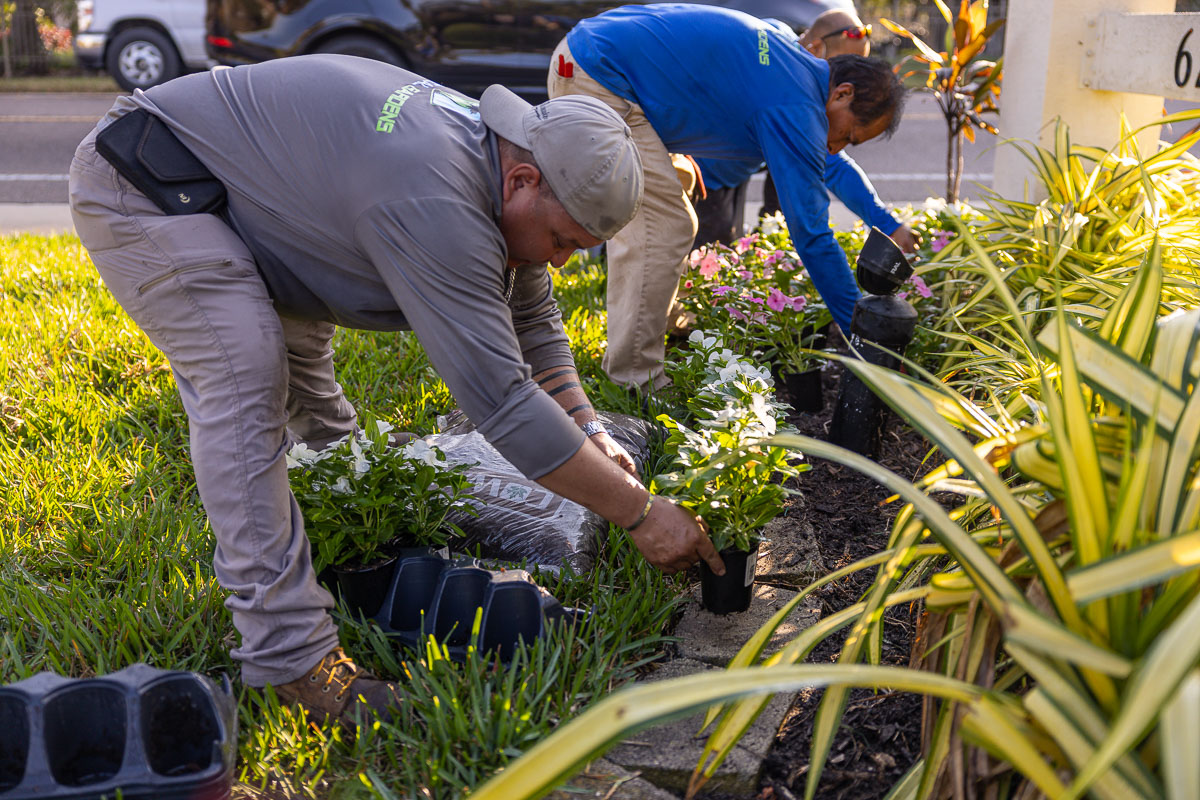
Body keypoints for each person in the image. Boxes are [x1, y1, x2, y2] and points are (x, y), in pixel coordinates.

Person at [68, 54, 723, 726]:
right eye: (560, 241)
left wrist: (589, 428)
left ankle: (349, 534)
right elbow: (502, 401)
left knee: (316, 407)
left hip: (236, 191)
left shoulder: (502, 161)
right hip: (151, 182)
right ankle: (290, 656)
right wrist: (640, 513)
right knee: (247, 378)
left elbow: (533, 318)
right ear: (524, 178)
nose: (557, 260)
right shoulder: (435, 196)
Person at [549, 3, 907, 391]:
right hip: (597, 75)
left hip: (599, 53)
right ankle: (634, 381)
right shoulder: (795, 105)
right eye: (850, 136)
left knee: (677, 189)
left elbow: (825, 162)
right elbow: (813, 236)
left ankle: (665, 323)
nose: (839, 147)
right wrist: (866, 337)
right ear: (842, 93)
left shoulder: (793, 58)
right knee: (664, 225)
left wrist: (886, 223)